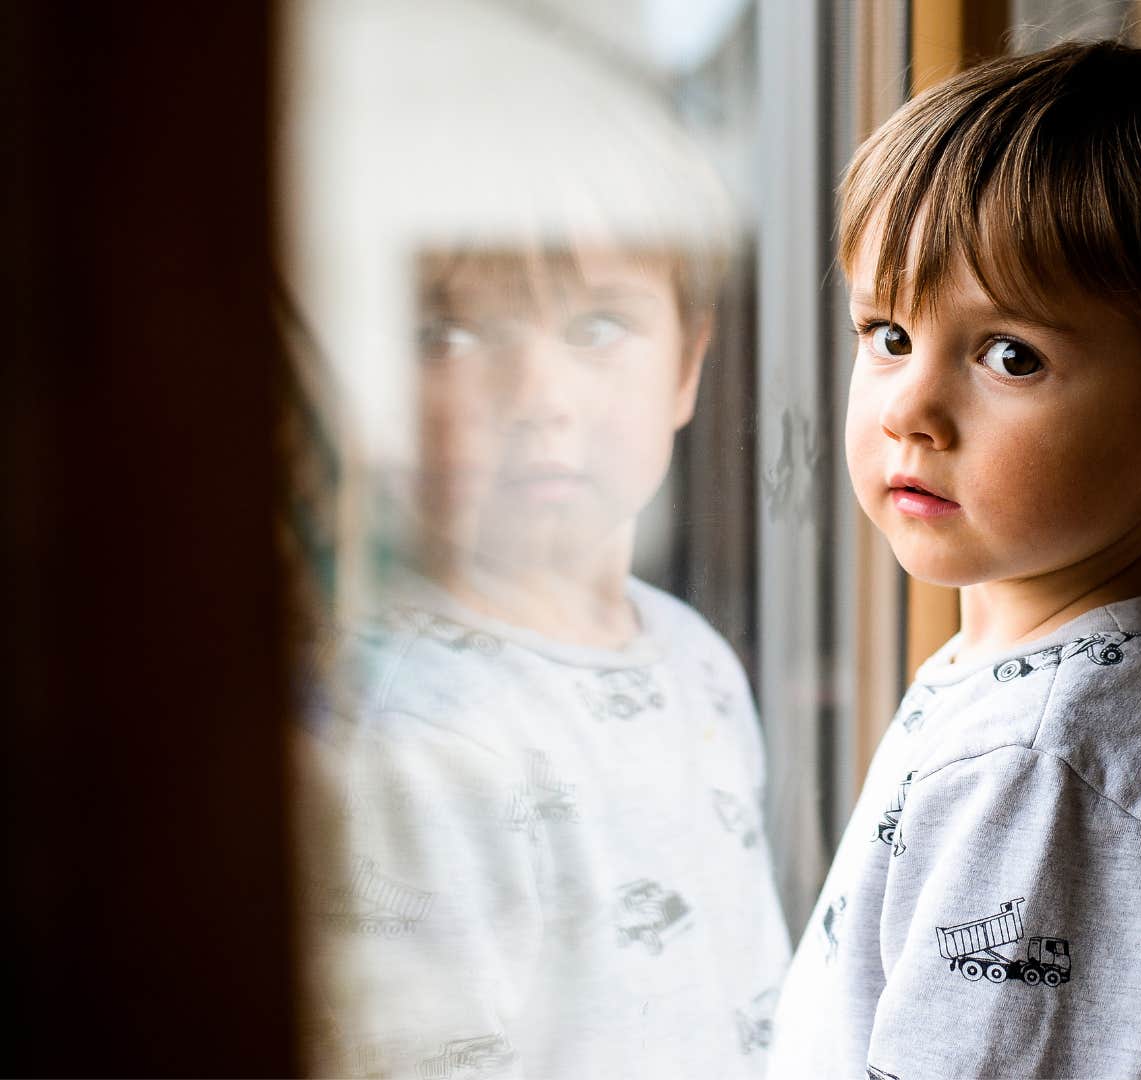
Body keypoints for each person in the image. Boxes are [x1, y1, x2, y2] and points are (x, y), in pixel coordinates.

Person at [767, 41, 1141, 1078]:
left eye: (1009, 355)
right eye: (888, 334)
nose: (912, 412)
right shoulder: (1095, 672)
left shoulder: (1042, 765)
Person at [287, 3, 788, 1075]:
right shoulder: (407, 730)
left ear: (688, 364)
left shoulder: (694, 658)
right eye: (452, 334)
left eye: (598, 326)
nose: (538, 396)